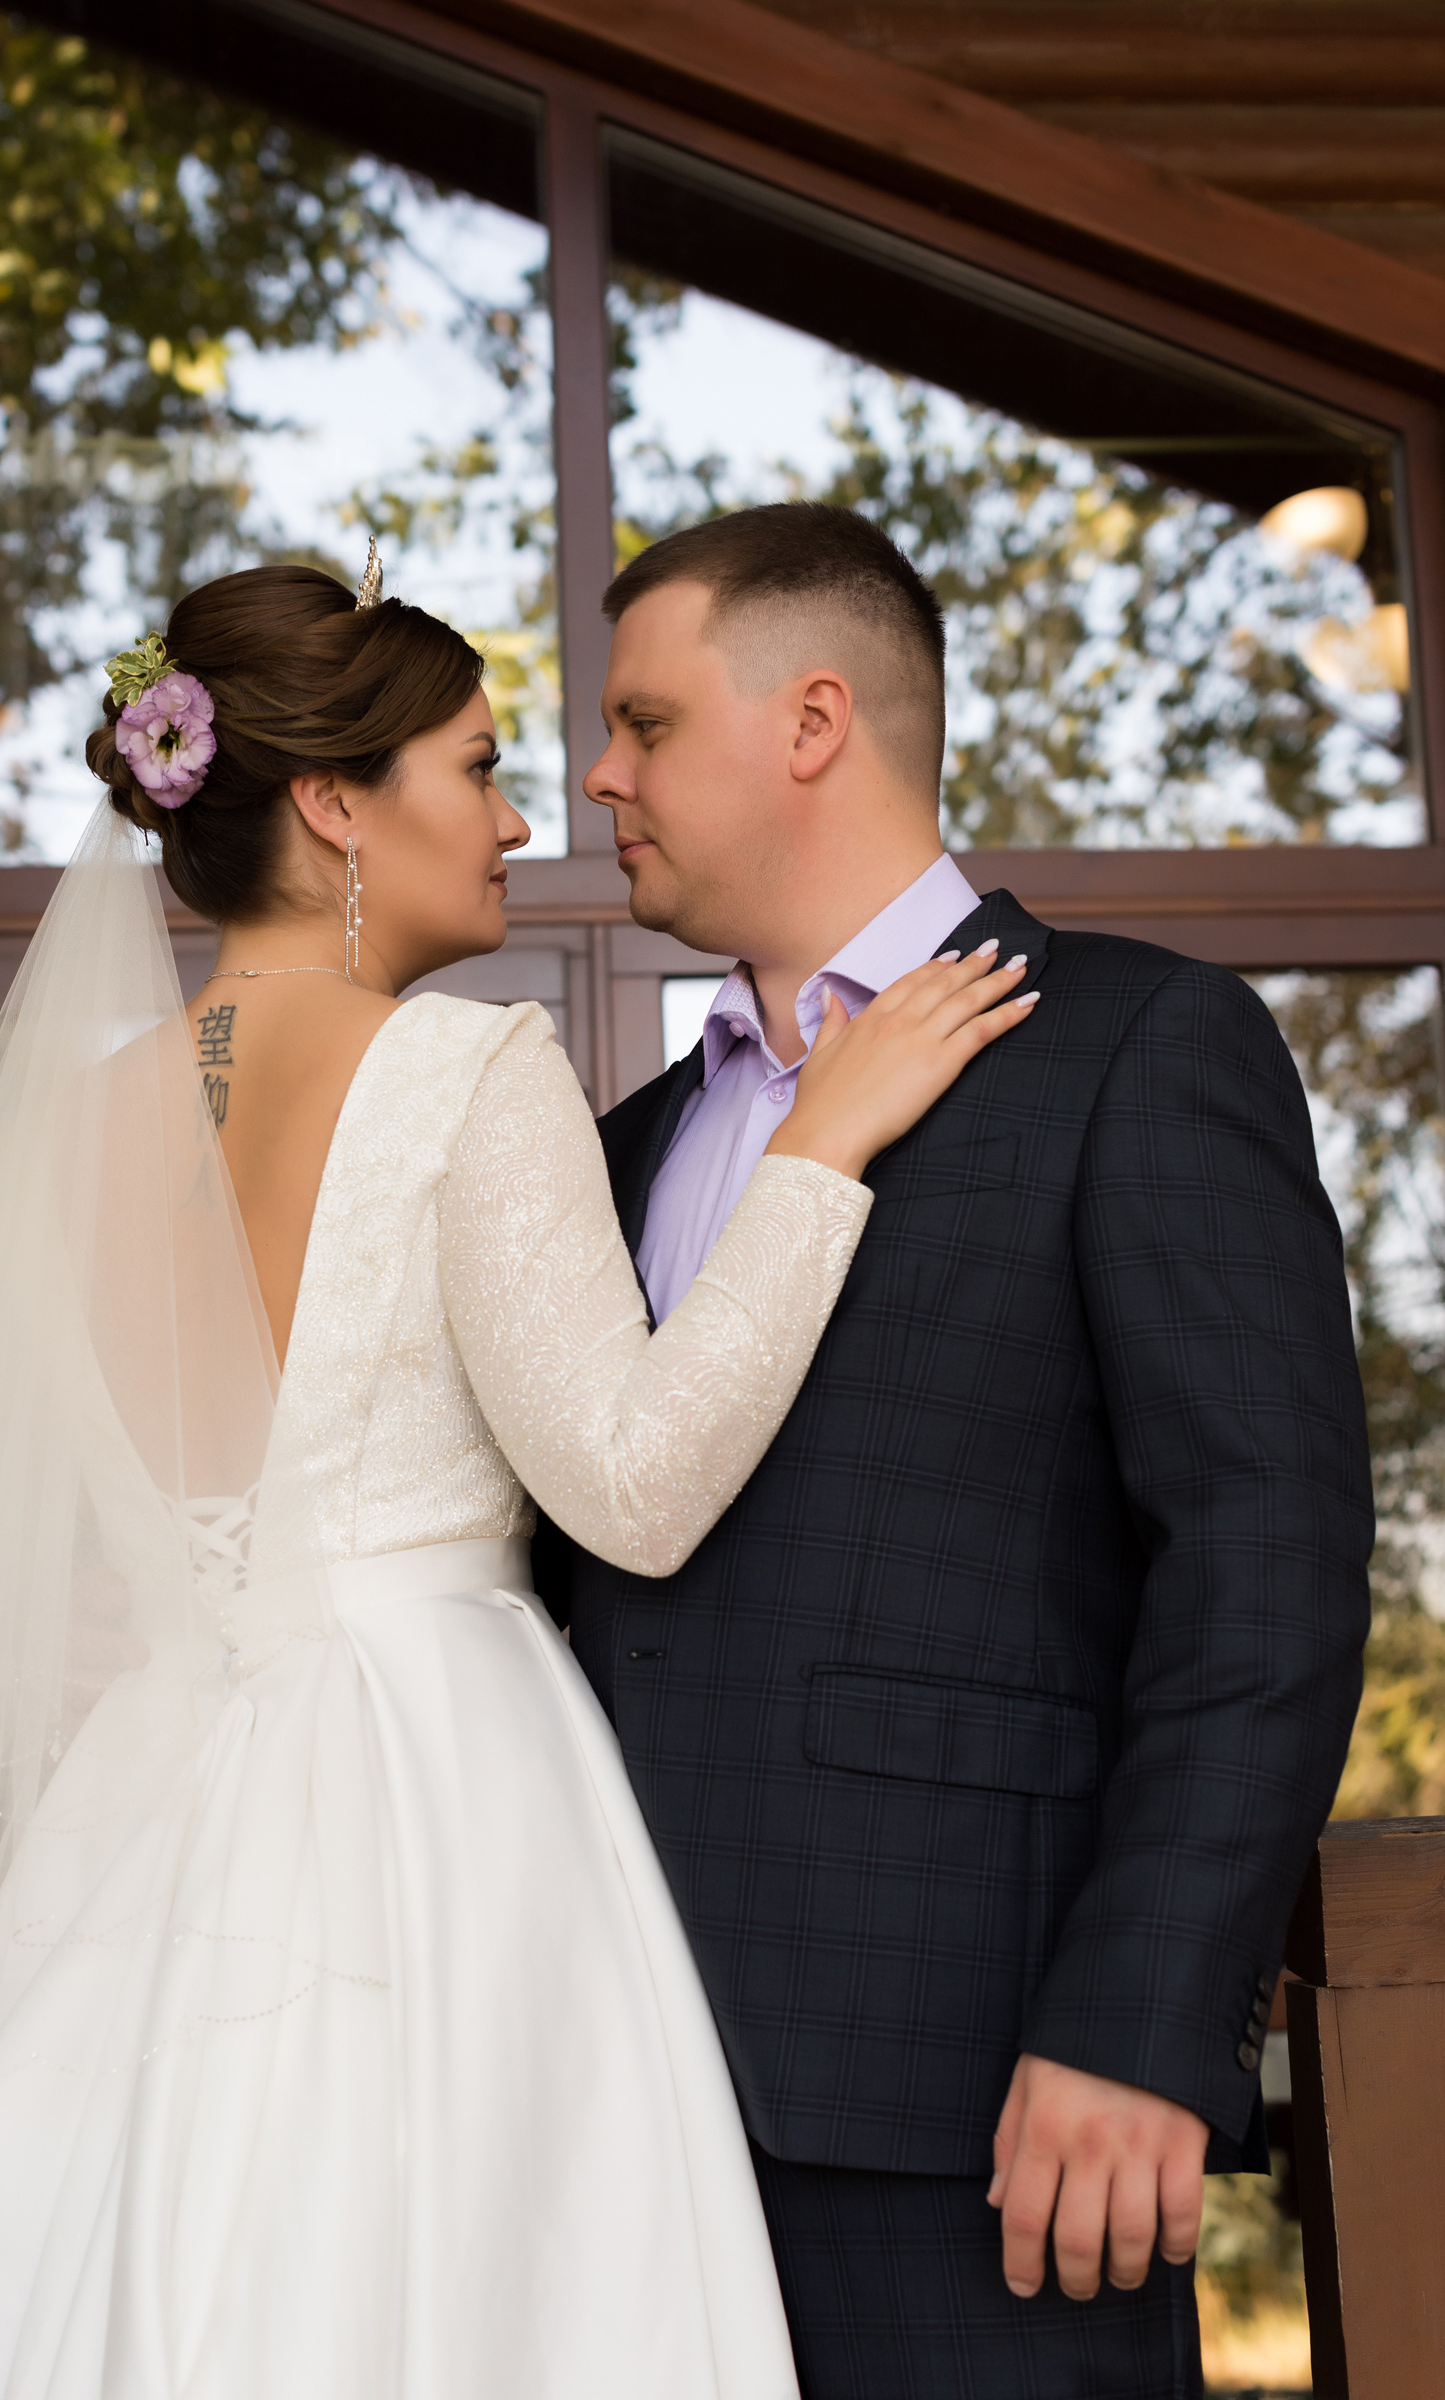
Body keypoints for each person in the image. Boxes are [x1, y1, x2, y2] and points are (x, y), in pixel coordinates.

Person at [0, 557, 1035, 2399]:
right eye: (475, 769)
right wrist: (820, 1145)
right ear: (333, 805)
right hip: (432, 1797)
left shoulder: (54, 1138)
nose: (519, 816)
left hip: (149, 1826)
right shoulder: (465, 1070)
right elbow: (632, 1487)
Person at [535, 501, 1373, 2400]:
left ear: (811, 718)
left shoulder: (1138, 1048)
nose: (598, 776)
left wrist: (1146, 2018)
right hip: (604, 2116)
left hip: (978, 2107)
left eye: (644, 724)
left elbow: (1262, 1565)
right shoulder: (613, 1151)